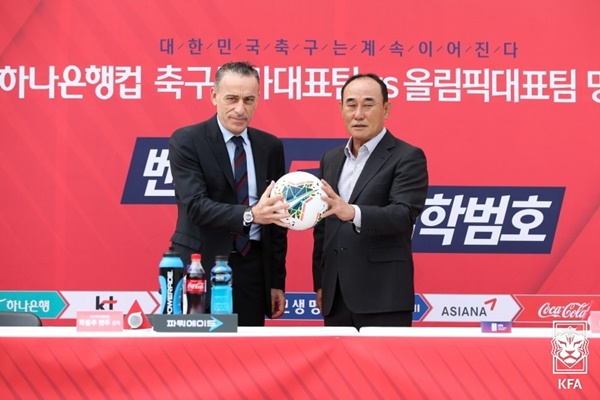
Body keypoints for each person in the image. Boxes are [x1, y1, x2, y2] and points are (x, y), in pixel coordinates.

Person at [168, 61, 290, 326]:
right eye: (232, 99)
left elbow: (277, 220)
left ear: (258, 99)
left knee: (248, 350)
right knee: (195, 349)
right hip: (199, 266)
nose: (240, 109)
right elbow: (196, 206)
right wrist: (251, 215)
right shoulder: (187, 140)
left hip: (252, 269)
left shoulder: (270, 146)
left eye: (248, 100)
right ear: (214, 96)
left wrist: (275, 280)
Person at [312, 73, 429, 329]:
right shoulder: (330, 159)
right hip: (336, 296)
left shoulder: (407, 156)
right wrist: (321, 283)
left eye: (368, 104)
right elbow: (323, 227)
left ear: (386, 109)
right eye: (351, 104)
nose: (358, 114)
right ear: (341, 108)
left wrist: (353, 212)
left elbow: (403, 215)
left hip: (383, 296)